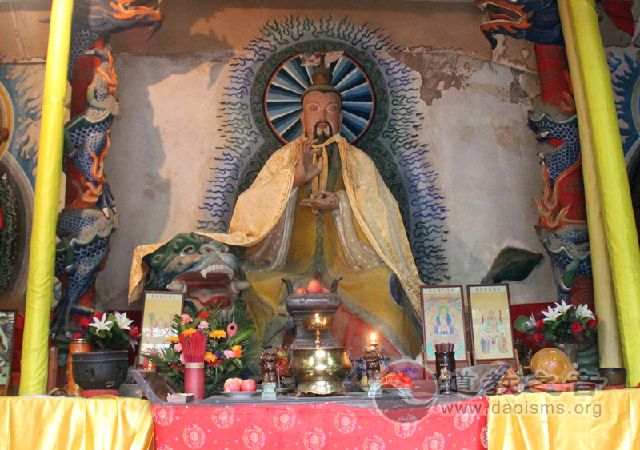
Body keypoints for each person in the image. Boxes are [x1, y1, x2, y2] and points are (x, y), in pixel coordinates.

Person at [131, 57, 424, 355]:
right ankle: (263, 364)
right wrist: (293, 181)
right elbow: (252, 213)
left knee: (383, 285)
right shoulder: (283, 160)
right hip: (287, 267)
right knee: (254, 286)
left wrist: (341, 205)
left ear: (341, 117)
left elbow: (381, 219)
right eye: (314, 109)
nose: (323, 116)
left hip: (348, 270)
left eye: (331, 109)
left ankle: (378, 365)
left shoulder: (358, 162)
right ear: (301, 117)